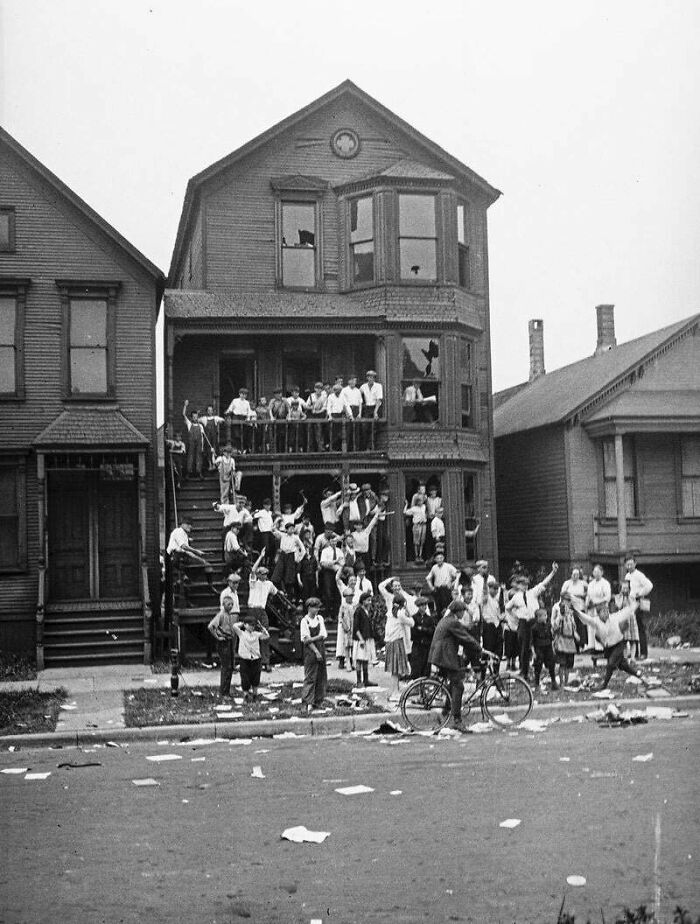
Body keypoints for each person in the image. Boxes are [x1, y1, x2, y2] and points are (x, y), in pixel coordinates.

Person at [428, 599, 489, 733]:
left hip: (441, 655)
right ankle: (457, 720)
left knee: (452, 683)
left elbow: (461, 637)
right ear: (459, 611)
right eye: (463, 611)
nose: (464, 614)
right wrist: (480, 649)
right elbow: (465, 637)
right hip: (445, 656)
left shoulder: (446, 620)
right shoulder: (453, 622)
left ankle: (445, 711)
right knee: (458, 685)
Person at [575, 600, 649, 691]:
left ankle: (604, 685)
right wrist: (576, 611)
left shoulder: (614, 617)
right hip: (609, 647)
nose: (606, 613)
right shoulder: (595, 621)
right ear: (598, 614)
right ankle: (640, 676)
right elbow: (586, 619)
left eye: (607, 611)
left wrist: (637, 603)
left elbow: (626, 611)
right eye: (603, 611)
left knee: (610, 664)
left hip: (619, 644)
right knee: (623, 666)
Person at [505, 562, 559, 682]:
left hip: (534, 623)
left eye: (526, 584)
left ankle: (537, 673)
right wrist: (516, 618)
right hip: (524, 623)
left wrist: (553, 572)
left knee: (538, 646)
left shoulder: (532, 593)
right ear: (518, 586)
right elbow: (508, 608)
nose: (525, 586)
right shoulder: (516, 597)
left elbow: (544, 582)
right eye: (522, 584)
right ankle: (524, 673)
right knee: (524, 649)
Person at [382, 586, 415, 702]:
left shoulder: (390, 613)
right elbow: (412, 623)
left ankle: (395, 691)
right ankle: (395, 693)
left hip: (390, 642)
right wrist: (408, 612)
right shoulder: (401, 614)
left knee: (395, 670)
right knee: (395, 670)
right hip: (396, 642)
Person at [247, 554, 278, 672]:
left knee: (265, 635)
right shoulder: (253, 582)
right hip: (252, 610)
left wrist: (280, 593)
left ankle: (266, 662)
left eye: (266, 574)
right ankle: (253, 661)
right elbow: (253, 570)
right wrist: (261, 556)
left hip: (262, 610)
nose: (264, 576)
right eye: (262, 574)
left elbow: (276, 592)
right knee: (251, 636)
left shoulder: (269, 584)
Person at [166, 518, 214, 589]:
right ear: (182, 524)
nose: (190, 526)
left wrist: (199, 557)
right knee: (203, 566)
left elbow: (187, 551)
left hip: (183, 556)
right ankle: (183, 580)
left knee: (206, 565)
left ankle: (184, 580)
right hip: (175, 556)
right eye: (188, 524)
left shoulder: (185, 534)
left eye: (191, 525)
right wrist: (196, 551)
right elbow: (183, 546)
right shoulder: (178, 531)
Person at [231, 613, 270, 702]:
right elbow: (234, 626)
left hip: (256, 659)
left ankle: (255, 694)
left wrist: (261, 627)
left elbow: (266, 635)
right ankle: (246, 695)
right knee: (245, 677)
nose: (252, 627)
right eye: (250, 625)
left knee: (255, 677)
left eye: (253, 625)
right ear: (245, 625)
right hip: (245, 659)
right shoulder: (241, 634)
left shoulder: (256, 634)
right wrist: (242, 623)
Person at [300, 597, 328, 712]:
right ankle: (306, 702)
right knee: (310, 676)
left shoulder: (319, 618)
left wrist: (313, 639)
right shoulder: (304, 621)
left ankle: (318, 701)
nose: (317, 609)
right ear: (309, 608)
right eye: (315, 607)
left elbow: (323, 635)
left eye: (318, 607)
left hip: (321, 647)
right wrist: (316, 650)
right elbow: (305, 640)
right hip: (310, 651)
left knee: (321, 675)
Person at [207, 597, 238, 697]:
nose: (231, 606)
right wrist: (218, 637)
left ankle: (226, 692)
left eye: (232, 604)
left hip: (229, 641)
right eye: (229, 604)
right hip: (223, 643)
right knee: (226, 667)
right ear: (223, 604)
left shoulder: (229, 615)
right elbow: (211, 627)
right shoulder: (220, 615)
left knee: (230, 668)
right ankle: (223, 692)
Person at [625, 556, 653, 660]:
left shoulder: (639, 575)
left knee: (640, 628)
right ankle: (634, 652)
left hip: (638, 603)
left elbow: (649, 585)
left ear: (635, 564)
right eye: (627, 564)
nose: (629, 566)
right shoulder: (627, 576)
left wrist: (640, 593)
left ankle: (643, 653)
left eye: (631, 564)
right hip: (630, 604)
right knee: (633, 629)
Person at [551, 592, 578, 688]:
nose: (569, 603)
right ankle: (562, 682)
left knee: (569, 664)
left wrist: (576, 634)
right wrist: (561, 617)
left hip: (570, 641)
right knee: (562, 663)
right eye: (567, 601)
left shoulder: (570, 614)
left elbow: (573, 627)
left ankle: (566, 682)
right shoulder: (557, 611)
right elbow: (554, 626)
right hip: (561, 640)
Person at [272, 522, 305, 598]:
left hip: (291, 556)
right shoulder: (283, 535)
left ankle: (289, 594)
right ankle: (280, 591)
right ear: (286, 529)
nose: (292, 530)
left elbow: (303, 549)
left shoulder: (296, 537)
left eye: (293, 528)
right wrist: (275, 526)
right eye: (290, 528)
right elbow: (274, 531)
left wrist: (299, 558)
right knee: (277, 574)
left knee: (289, 577)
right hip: (282, 555)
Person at [479, 578, 504, 674]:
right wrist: (485, 582)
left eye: (496, 589)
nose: (495, 591)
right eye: (493, 588)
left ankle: (496, 673)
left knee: (498, 651)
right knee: (487, 650)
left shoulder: (496, 600)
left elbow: (498, 613)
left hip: (497, 626)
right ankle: (482, 675)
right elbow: (484, 594)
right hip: (488, 626)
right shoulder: (486, 598)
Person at [352, 590, 377, 688]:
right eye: (368, 600)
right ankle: (359, 681)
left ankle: (366, 680)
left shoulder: (367, 611)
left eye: (370, 600)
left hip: (367, 638)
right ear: (363, 601)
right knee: (359, 659)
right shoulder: (358, 611)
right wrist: (361, 639)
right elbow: (356, 627)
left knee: (366, 659)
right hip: (360, 639)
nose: (369, 603)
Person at [409, 596, 438, 679]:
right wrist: (423, 631)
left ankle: (424, 685)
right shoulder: (414, 618)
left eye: (425, 605)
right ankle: (416, 686)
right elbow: (413, 632)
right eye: (422, 605)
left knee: (426, 667)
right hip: (417, 645)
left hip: (426, 646)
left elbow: (432, 631)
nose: (424, 607)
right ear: (418, 606)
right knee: (416, 666)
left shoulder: (430, 619)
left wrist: (422, 629)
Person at [584, 564, 610, 656]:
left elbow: (607, 597)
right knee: (591, 626)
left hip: (601, 607)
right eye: (595, 572)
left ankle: (601, 648)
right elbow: (588, 595)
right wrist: (587, 604)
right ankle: (592, 646)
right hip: (592, 608)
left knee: (600, 626)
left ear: (602, 573)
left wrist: (597, 603)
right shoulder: (591, 583)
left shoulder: (605, 583)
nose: (596, 574)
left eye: (598, 572)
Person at [531, 608, 559, 690]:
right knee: (538, 666)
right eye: (544, 615)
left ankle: (554, 682)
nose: (546, 617)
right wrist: (534, 653)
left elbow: (551, 637)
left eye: (546, 615)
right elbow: (532, 642)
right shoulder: (534, 628)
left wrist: (553, 647)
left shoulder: (548, 625)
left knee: (551, 664)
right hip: (539, 648)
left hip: (548, 647)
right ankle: (536, 683)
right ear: (539, 617)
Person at [426, 550, 459, 615]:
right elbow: (428, 578)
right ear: (435, 559)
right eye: (437, 558)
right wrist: (431, 588)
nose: (439, 560)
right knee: (438, 608)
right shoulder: (434, 567)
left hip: (446, 589)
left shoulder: (448, 566)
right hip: (437, 590)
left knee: (447, 608)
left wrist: (453, 584)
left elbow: (458, 574)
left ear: (443, 558)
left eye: (441, 558)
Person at [225, 387, 255, 453]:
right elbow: (230, 408)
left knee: (244, 435)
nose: (243, 396)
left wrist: (248, 417)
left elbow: (249, 411)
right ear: (239, 394)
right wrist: (227, 412)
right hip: (236, 417)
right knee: (237, 435)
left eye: (245, 394)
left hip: (244, 418)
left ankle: (244, 449)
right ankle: (238, 449)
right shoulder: (235, 400)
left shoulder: (247, 402)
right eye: (242, 394)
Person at [182, 400, 205, 479]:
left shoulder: (201, 426)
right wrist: (185, 405)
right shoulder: (189, 424)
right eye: (194, 417)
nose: (195, 418)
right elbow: (183, 414)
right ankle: (188, 472)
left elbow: (202, 437)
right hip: (191, 443)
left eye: (196, 417)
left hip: (199, 444)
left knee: (199, 457)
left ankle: (199, 473)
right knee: (190, 456)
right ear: (191, 417)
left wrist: (202, 447)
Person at [326, 381, 352, 451]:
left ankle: (341, 448)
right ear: (334, 391)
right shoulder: (330, 396)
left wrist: (350, 415)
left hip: (340, 415)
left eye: (339, 391)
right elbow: (329, 407)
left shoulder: (343, 396)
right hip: (333, 415)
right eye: (336, 391)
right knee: (333, 434)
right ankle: (333, 449)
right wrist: (330, 416)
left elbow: (347, 406)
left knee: (342, 433)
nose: (338, 392)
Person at [335, 587, 356, 670]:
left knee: (353, 645)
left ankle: (353, 661)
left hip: (354, 627)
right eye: (348, 596)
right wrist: (343, 625)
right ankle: (347, 662)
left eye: (351, 596)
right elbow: (340, 617)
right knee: (347, 645)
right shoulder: (343, 606)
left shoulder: (354, 605)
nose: (350, 598)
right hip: (346, 628)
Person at [403, 495, 428, 563]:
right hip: (417, 525)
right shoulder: (413, 508)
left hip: (423, 525)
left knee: (422, 541)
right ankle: (416, 556)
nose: (421, 502)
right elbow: (405, 512)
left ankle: (420, 555)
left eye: (422, 501)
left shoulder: (424, 507)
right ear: (417, 502)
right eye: (420, 501)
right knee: (416, 542)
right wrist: (406, 505)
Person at [199, 404, 225, 468]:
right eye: (208, 410)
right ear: (207, 411)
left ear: (213, 411)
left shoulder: (215, 418)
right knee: (208, 450)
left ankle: (215, 464)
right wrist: (197, 413)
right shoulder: (204, 419)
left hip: (214, 438)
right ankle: (210, 464)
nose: (210, 412)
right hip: (207, 438)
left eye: (211, 410)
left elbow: (222, 420)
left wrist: (221, 421)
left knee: (215, 449)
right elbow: (197, 420)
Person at [252, 498, 276, 566]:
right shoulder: (261, 512)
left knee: (273, 547)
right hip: (264, 532)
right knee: (266, 548)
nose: (268, 506)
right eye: (267, 505)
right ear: (264, 505)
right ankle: (263, 561)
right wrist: (255, 512)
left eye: (269, 505)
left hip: (270, 532)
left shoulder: (270, 513)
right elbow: (253, 516)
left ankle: (270, 562)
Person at [306, 381, 328, 452]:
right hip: (311, 415)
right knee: (310, 432)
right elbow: (306, 406)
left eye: (320, 388)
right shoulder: (311, 396)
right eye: (317, 388)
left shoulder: (324, 397)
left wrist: (318, 411)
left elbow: (324, 407)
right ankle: (310, 449)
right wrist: (311, 408)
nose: (319, 390)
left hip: (320, 415)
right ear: (315, 389)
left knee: (319, 431)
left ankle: (320, 447)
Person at [286, 385, 307, 452]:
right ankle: (290, 448)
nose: (296, 394)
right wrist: (289, 417)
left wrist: (303, 417)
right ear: (292, 393)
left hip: (299, 422)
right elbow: (287, 413)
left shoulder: (301, 400)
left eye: (297, 392)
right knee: (291, 436)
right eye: (294, 392)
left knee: (300, 436)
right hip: (292, 423)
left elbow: (306, 407)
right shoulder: (288, 400)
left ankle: (300, 448)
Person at [269, 387, 289, 452]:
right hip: (275, 420)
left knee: (284, 436)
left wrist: (288, 416)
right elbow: (269, 409)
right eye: (277, 394)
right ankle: (276, 450)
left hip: (283, 420)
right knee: (276, 436)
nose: (279, 395)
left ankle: (284, 450)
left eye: (280, 393)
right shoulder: (272, 401)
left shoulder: (284, 400)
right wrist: (271, 417)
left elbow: (289, 409)